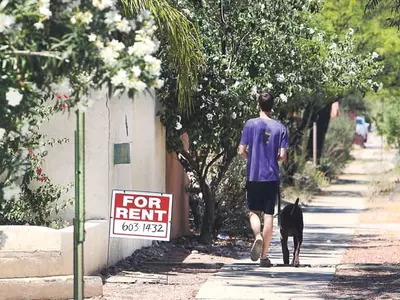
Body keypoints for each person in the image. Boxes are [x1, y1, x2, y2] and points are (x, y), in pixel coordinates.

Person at [238, 92, 288, 267]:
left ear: (258, 105)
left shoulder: (250, 124)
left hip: (253, 176)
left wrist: (251, 159)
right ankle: (264, 257)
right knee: (268, 216)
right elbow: (282, 156)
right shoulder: (280, 128)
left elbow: (241, 150)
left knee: (253, 212)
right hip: (271, 177)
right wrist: (274, 158)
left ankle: (257, 236)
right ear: (272, 106)